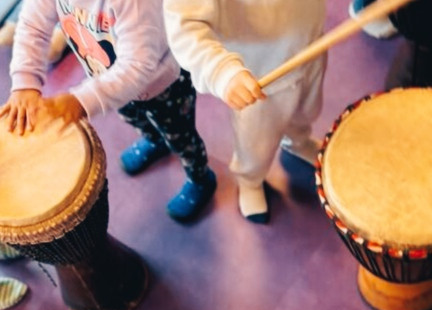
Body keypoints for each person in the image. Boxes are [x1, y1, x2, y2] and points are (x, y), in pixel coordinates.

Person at [0, 0, 216, 222]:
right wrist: (25, 81)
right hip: (110, 81)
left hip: (164, 86)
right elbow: (32, 25)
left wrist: (81, 101)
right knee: (135, 119)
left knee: (181, 137)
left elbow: (137, 66)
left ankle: (200, 177)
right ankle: (155, 140)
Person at [163, 0, 327, 223]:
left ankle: (297, 140)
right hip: (257, 76)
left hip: (312, 45)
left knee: (306, 110)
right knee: (255, 141)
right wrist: (220, 71)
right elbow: (185, 27)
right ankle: (250, 180)